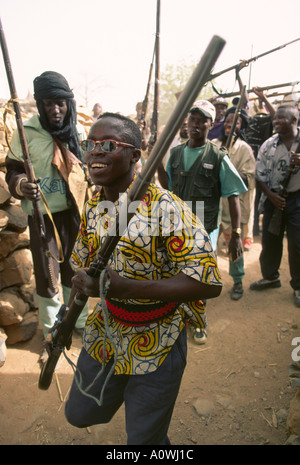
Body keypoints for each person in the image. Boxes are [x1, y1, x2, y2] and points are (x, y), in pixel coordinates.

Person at [64, 112, 223, 445]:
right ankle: (131, 394)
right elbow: (82, 264)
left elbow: (208, 282)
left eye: (108, 144)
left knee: (143, 441)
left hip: (159, 339)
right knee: (79, 413)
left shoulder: (169, 209)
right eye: (90, 144)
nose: (96, 151)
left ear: (135, 156)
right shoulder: (94, 204)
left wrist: (125, 287)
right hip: (106, 333)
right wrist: (67, 315)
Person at [5, 71, 90, 356]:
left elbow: (90, 167)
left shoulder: (77, 132)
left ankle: (79, 321)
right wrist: (21, 185)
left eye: (61, 103)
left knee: (76, 270)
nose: (56, 109)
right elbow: (13, 169)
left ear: (69, 104)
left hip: (75, 214)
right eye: (49, 104)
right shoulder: (25, 133)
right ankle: (53, 332)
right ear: (40, 105)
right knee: (48, 276)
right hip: (43, 216)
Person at [157, 100, 247, 343]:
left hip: (205, 227)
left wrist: (237, 233)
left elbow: (233, 196)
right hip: (177, 225)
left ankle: (198, 321)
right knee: (175, 270)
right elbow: (169, 187)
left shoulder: (218, 157)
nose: (196, 125)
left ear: (211, 124)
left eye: (202, 121)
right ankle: (178, 316)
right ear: (187, 122)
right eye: (192, 119)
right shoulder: (176, 153)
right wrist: (156, 162)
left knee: (199, 274)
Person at [250, 105, 300, 308]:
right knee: (270, 241)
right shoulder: (268, 144)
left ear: (294, 120)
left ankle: (298, 286)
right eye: (275, 118)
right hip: (273, 200)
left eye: (281, 118)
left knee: (297, 244)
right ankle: (270, 277)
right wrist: (271, 196)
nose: (275, 121)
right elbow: (259, 176)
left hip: (297, 200)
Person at [213, 106, 256, 297]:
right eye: (228, 120)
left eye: (235, 121)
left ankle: (237, 281)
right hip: (213, 207)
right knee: (207, 246)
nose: (230, 124)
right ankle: (206, 282)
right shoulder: (213, 144)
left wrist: (226, 167)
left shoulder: (244, 149)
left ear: (241, 126)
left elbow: (248, 178)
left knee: (233, 246)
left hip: (232, 207)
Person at [244, 87, 275, 238]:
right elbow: (243, 104)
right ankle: (253, 229)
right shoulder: (249, 121)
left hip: (262, 168)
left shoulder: (267, 123)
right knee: (252, 200)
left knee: (257, 200)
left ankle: (256, 228)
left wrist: (263, 99)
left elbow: (275, 117)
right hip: (250, 168)